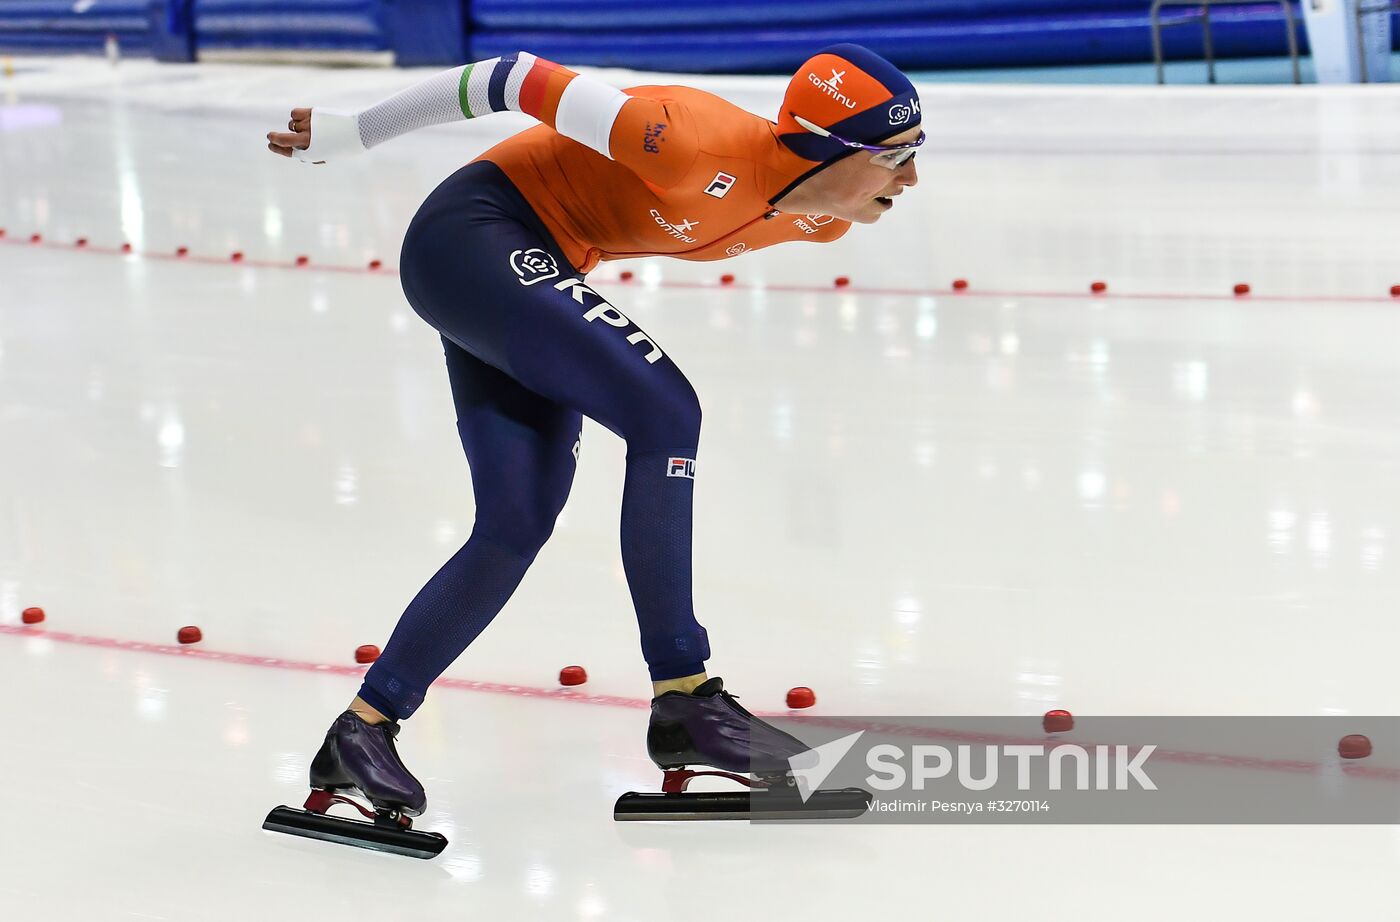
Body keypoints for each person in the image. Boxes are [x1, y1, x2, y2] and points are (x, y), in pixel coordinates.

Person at [263, 43, 920, 846]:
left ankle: (362, 731)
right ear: (828, 148)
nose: (911, 180)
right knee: (667, 414)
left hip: (532, 265)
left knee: (517, 517)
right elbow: (505, 77)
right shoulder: (683, 138)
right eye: (896, 157)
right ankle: (686, 695)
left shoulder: (821, 222)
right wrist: (358, 131)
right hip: (474, 235)